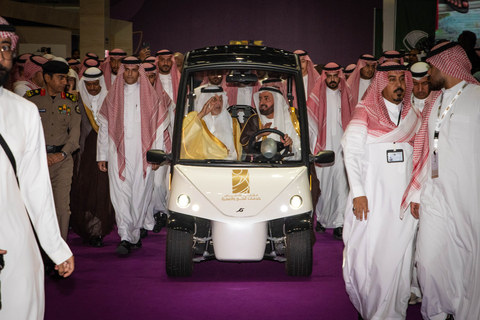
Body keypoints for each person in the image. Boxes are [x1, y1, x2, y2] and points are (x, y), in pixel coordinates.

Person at [0, 16, 74, 320]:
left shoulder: (24, 111)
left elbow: (36, 188)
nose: (3, 54)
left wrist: (56, 247)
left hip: (15, 241)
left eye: (6, 47)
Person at [402, 41, 480, 320]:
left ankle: (464, 312)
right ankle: (435, 311)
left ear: (446, 65)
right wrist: (417, 192)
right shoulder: (435, 101)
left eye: (432, 67)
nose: (429, 73)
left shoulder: (477, 98)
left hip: (468, 195)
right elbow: (426, 151)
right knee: (428, 260)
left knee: (468, 260)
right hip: (434, 194)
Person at [342, 62, 422, 320]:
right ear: (380, 84)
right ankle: (371, 307)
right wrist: (358, 192)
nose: (398, 85)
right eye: (392, 79)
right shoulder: (364, 113)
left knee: (401, 256)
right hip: (371, 200)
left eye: (401, 79)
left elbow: (420, 159)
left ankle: (394, 312)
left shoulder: (413, 117)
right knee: (370, 254)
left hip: (402, 203)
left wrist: (417, 195)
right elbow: (351, 154)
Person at [97, 56, 170, 254]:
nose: (129, 74)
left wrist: (156, 156)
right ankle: (125, 235)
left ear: (140, 72)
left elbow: (159, 127)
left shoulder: (150, 97)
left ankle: (134, 233)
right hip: (116, 152)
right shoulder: (113, 96)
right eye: (126, 70)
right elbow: (104, 126)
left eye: (133, 70)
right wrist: (102, 155)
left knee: (140, 194)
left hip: (143, 154)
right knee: (119, 193)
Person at [25, 60, 81, 242]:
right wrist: (40, 155)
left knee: (62, 209)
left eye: (66, 77)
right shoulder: (30, 100)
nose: (65, 82)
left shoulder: (71, 102)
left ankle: (60, 253)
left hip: (63, 161)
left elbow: (74, 136)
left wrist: (62, 154)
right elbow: (24, 133)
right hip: (36, 161)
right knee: (36, 207)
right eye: (60, 77)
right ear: (47, 78)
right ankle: (40, 250)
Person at [307, 62, 354, 239]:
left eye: (336, 76)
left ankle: (339, 223)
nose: (333, 79)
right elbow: (310, 123)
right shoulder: (316, 96)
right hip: (322, 147)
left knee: (341, 184)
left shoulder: (346, 94)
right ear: (324, 77)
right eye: (330, 76)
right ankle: (321, 220)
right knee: (323, 184)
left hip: (341, 148)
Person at [70, 67, 115, 247]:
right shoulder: (76, 100)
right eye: (89, 85)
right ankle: (87, 228)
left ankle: (99, 230)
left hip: (106, 154)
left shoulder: (110, 99)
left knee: (103, 191)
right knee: (84, 190)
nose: (93, 88)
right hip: (84, 154)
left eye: (96, 84)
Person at [182, 86, 241, 160]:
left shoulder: (232, 122)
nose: (218, 103)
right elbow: (184, 141)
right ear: (205, 101)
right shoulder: (193, 118)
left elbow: (238, 152)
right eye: (214, 99)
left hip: (227, 166)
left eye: (220, 99)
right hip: (200, 166)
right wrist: (201, 115)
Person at [240, 87, 300, 158]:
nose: (262, 103)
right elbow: (245, 146)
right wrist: (259, 135)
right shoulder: (254, 120)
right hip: (260, 166)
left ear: (277, 101)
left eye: (266, 99)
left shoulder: (291, 120)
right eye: (260, 99)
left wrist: (289, 146)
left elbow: (300, 151)